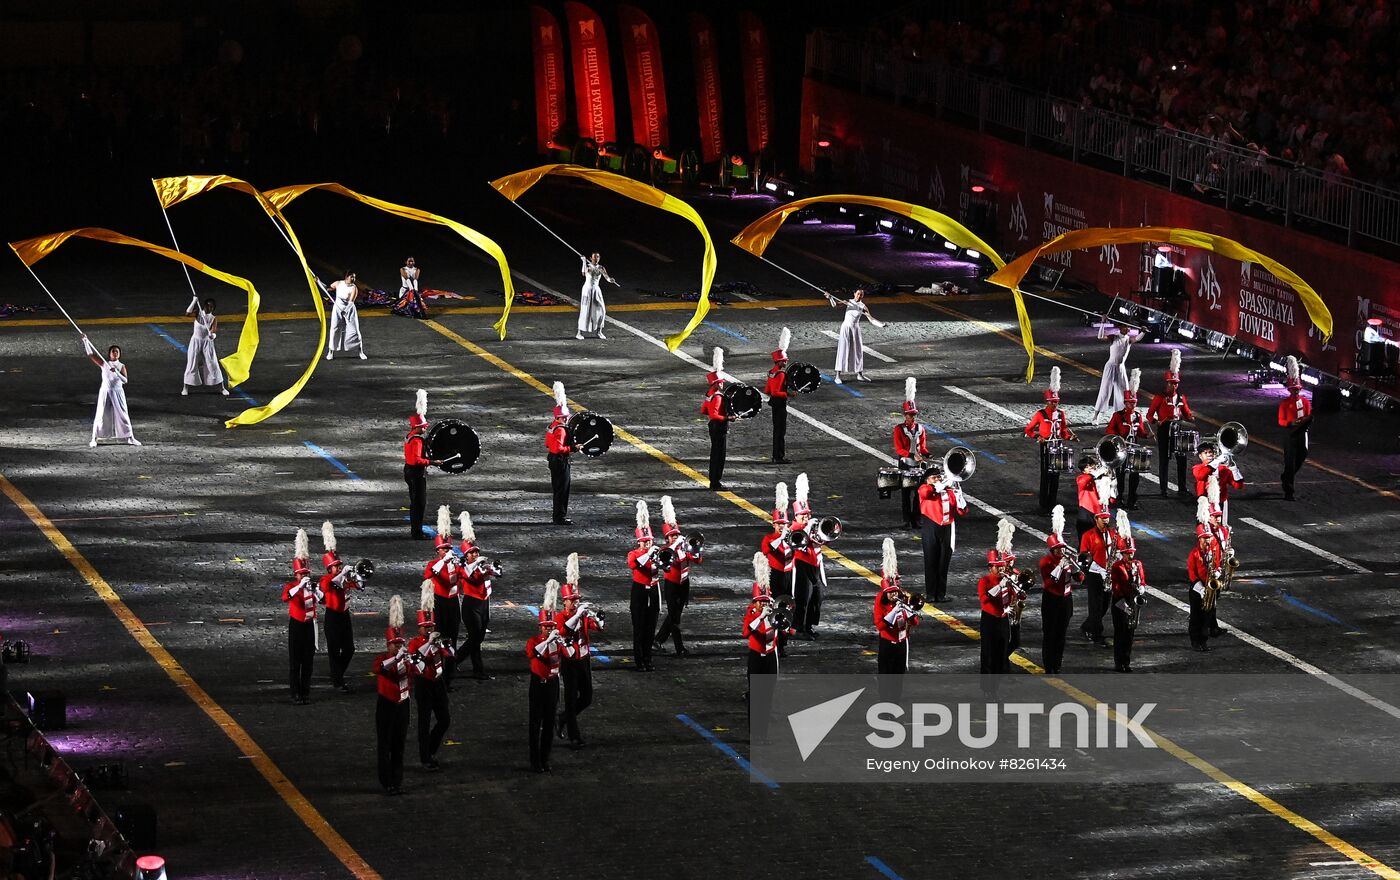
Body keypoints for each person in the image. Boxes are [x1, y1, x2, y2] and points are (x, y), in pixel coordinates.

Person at [373, 596, 422, 794]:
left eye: (400, 644)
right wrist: (397, 659)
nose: (398, 647)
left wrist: (411, 659)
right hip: (386, 704)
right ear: (388, 645)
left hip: (403, 704)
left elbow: (420, 669)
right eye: (395, 644)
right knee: (384, 744)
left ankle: (397, 780)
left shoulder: (405, 659)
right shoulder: (382, 659)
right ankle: (386, 782)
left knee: (399, 743)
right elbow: (381, 669)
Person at [556, 555, 603, 749]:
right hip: (569, 661)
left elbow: (596, 626)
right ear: (564, 602)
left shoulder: (580, 615)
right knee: (570, 697)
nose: (575, 603)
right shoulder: (560, 617)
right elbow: (564, 630)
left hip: (583, 659)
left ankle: (564, 718)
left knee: (586, 697)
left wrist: (598, 620)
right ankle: (574, 736)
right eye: (572, 600)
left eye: (576, 600)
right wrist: (577, 614)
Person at [408, 584, 452, 771]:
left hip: (438, 682)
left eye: (431, 626)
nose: (428, 630)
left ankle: (431, 749)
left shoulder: (437, 638)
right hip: (423, 684)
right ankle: (425, 757)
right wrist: (430, 644)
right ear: (419, 629)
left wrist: (442, 644)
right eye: (425, 628)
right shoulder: (414, 643)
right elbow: (416, 660)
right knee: (424, 722)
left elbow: (451, 653)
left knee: (445, 719)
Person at [1024, 367, 1077, 513]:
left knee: (1056, 476)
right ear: (1048, 402)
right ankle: (1043, 504)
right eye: (1053, 402)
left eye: (1057, 402)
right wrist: (1037, 436)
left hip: (1058, 446)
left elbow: (1064, 431)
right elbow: (1028, 430)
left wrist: (1070, 437)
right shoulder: (1040, 414)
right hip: (1046, 446)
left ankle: (1052, 504)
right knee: (1046, 475)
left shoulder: (1061, 414)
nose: (1055, 405)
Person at [654, 496, 701, 656]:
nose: (675, 537)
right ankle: (679, 647)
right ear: (666, 537)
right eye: (672, 536)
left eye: (676, 535)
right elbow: (667, 566)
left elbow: (698, 560)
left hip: (684, 584)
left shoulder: (684, 546)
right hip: (672, 586)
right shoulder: (664, 551)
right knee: (675, 618)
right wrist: (676, 548)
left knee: (675, 614)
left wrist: (692, 549)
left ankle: (658, 639)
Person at [874, 537, 920, 701]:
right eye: (891, 592)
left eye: (895, 591)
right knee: (886, 677)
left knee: (898, 677)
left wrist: (910, 612)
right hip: (887, 644)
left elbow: (915, 623)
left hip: (902, 643)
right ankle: (885, 704)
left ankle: (895, 703)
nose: (894, 595)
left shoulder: (904, 597)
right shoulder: (880, 600)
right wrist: (894, 612)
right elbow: (880, 625)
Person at [458, 511, 501, 681]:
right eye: (472, 553)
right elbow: (469, 576)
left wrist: (492, 569)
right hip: (471, 605)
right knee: (475, 637)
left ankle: (473, 667)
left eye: (476, 552)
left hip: (484, 604)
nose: (475, 554)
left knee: (478, 638)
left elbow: (498, 574)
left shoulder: (481, 566)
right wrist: (477, 564)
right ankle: (461, 662)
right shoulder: (464, 567)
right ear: (466, 555)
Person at [1039, 506, 1082, 674]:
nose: (1062, 551)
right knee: (1050, 633)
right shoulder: (1046, 562)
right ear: (1052, 549)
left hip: (1066, 599)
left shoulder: (1067, 559)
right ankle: (1048, 664)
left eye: (1062, 548)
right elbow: (1050, 581)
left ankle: (1057, 664)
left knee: (1061, 635)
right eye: (1058, 549)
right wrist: (1061, 567)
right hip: (1051, 599)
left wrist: (1077, 570)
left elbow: (1080, 579)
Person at [319, 521, 361, 693]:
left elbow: (359, 585)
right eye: (336, 566)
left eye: (340, 565)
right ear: (330, 568)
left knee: (349, 649)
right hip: (332, 617)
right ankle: (338, 680)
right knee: (334, 650)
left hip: (344, 616)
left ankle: (337, 674)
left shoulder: (342, 578)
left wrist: (355, 576)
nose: (339, 567)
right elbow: (328, 585)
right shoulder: (326, 579)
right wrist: (343, 574)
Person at [526, 582, 563, 772]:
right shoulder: (533, 641)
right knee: (535, 724)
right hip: (538, 685)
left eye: (551, 627)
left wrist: (563, 642)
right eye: (546, 627)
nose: (549, 630)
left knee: (549, 724)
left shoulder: (557, 641)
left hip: (552, 684)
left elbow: (571, 654)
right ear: (541, 627)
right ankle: (534, 761)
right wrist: (549, 640)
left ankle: (545, 759)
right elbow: (535, 654)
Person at [1147, 349, 1195, 498]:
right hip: (1164, 429)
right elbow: (1149, 415)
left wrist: (1190, 417)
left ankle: (1182, 488)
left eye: (1175, 384)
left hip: (1177, 428)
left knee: (1182, 459)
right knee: (1164, 460)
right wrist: (1157, 421)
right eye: (1171, 384)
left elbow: (1187, 413)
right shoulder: (1159, 397)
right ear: (1166, 383)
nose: (1173, 387)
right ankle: (1163, 489)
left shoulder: (1181, 398)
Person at [423, 507, 462, 686]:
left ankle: (450, 674)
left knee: (452, 638)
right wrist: (444, 561)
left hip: (453, 603)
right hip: (439, 603)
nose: (446, 551)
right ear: (437, 551)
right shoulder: (433, 564)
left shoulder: (455, 564)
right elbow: (431, 574)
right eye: (443, 549)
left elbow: (467, 576)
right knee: (438, 638)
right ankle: (437, 672)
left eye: (448, 548)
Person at [282, 532, 321, 704]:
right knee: (295, 662)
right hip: (296, 626)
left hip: (309, 627)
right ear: (296, 574)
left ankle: (305, 692)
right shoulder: (292, 586)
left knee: (308, 662)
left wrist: (316, 590)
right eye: (301, 574)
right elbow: (286, 597)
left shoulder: (311, 587)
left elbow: (324, 600)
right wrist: (299, 586)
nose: (305, 576)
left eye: (306, 573)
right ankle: (294, 693)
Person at [917, 466, 967, 603]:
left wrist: (958, 493)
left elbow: (962, 511)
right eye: (934, 478)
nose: (937, 479)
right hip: (930, 527)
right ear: (927, 480)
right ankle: (930, 594)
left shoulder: (949, 492)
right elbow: (926, 493)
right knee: (931, 561)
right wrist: (944, 483)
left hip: (947, 528)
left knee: (943, 562)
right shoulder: (924, 488)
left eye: (939, 477)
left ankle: (941, 594)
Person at [743, 553, 779, 744]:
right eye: (761, 601)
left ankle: (763, 733)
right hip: (756, 658)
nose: (764, 604)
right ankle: (753, 733)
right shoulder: (751, 613)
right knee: (756, 696)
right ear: (755, 602)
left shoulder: (774, 612)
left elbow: (784, 628)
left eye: (766, 601)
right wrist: (761, 617)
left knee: (767, 697)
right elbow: (746, 632)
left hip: (771, 657)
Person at [1105, 368, 1152, 510]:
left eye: (1135, 403)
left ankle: (1132, 500)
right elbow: (1109, 430)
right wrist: (1119, 438)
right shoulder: (1118, 416)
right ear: (1125, 403)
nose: (1133, 405)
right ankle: (1118, 499)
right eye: (1131, 403)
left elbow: (1140, 432)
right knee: (1120, 476)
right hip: (1121, 449)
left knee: (1134, 476)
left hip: (1134, 449)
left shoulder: (1138, 416)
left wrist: (1146, 435)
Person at [83, 338, 140, 447]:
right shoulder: (104, 364)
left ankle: (130, 437)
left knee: (123, 414)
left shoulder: (121, 366)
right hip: (105, 391)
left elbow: (125, 380)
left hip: (118, 392)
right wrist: (85, 341)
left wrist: (117, 373)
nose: (115, 353)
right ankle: (94, 438)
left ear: (119, 354)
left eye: (117, 351)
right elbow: (90, 355)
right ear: (109, 354)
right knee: (100, 414)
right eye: (113, 351)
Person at [760, 483, 796, 656]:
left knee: (788, 607)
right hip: (775, 576)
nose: (782, 527)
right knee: (776, 609)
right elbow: (768, 550)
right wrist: (781, 538)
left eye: (785, 524)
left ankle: (784, 642)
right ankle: (775, 642)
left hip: (789, 576)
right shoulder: (768, 538)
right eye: (779, 524)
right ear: (774, 524)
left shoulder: (790, 537)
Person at [626, 501, 662, 671]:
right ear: (639, 542)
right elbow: (635, 566)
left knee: (650, 628)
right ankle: (639, 660)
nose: (648, 544)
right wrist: (648, 554)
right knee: (639, 627)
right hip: (639, 592)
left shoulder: (657, 553)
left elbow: (667, 566)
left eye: (649, 541)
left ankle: (648, 658)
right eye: (645, 541)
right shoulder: (633, 554)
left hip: (654, 591)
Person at [1109, 518, 1147, 672]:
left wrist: (1142, 588)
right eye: (1127, 554)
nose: (1130, 557)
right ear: (1122, 554)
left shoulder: (1138, 565)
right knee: (1120, 634)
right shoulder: (1117, 566)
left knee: (1130, 635)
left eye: (1132, 553)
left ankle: (1127, 661)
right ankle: (1119, 662)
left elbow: (1143, 580)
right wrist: (1126, 605)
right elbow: (1116, 587)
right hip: (1120, 603)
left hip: (1132, 601)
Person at [791, 474, 826, 639]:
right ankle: (799, 628)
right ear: (796, 516)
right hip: (802, 565)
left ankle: (810, 625)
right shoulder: (794, 528)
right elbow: (799, 541)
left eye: (807, 514)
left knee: (817, 597)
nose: (806, 517)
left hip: (816, 564)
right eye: (802, 515)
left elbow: (822, 540)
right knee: (803, 598)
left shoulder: (812, 525)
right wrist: (807, 528)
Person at [403, 389, 441, 540]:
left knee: (414, 502)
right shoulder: (418, 440)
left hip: (408, 471)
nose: (425, 428)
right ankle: (417, 532)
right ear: (417, 427)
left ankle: (415, 530)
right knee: (419, 504)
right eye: (423, 426)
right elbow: (417, 460)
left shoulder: (409, 436)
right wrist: (432, 462)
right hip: (416, 473)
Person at [893, 378, 931, 529]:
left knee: (918, 493)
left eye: (914, 415)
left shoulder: (921, 429)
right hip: (905, 463)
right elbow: (899, 449)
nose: (912, 417)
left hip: (917, 464)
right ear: (905, 415)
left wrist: (927, 454)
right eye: (910, 415)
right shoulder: (898, 429)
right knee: (905, 493)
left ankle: (916, 518)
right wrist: (911, 456)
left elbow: (922, 446)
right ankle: (906, 520)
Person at [977, 528, 1014, 675]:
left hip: (1004, 620)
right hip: (989, 621)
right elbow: (985, 600)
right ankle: (987, 689)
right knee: (988, 655)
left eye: (1001, 566)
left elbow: (1016, 597)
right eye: (996, 566)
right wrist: (1000, 586)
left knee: (1000, 654)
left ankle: (996, 687)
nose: (1000, 569)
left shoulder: (1007, 579)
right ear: (990, 567)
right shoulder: (984, 581)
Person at [1078, 509, 1116, 647]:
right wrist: (1100, 570)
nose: (1106, 520)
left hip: (1109, 573)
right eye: (1102, 518)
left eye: (1107, 517)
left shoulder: (1113, 534)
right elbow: (1083, 557)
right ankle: (1096, 634)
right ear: (1096, 519)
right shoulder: (1088, 535)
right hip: (1095, 574)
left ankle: (1088, 626)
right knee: (1096, 605)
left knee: (1105, 604)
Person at [1279, 355, 1312, 501]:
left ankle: (1287, 476)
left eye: (1297, 389)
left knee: (1302, 456)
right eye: (1293, 389)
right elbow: (1281, 420)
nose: (1296, 392)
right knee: (1290, 462)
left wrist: (1304, 422)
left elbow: (1309, 415)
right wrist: (1291, 424)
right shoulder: (1285, 404)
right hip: (1290, 434)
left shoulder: (1305, 402)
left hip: (1302, 433)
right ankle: (1289, 491)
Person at [828, 288, 880, 383]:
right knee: (843, 350)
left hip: (855, 330)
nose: (859, 296)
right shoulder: (849, 302)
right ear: (854, 293)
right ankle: (837, 376)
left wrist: (881, 325)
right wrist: (830, 297)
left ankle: (860, 375)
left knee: (858, 351)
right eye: (858, 294)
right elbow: (835, 305)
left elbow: (871, 319)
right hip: (846, 328)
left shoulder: (863, 306)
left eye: (861, 295)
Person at [181, 296, 228, 396]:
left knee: (213, 363)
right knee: (191, 363)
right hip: (195, 341)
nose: (210, 308)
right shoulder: (198, 313)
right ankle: (185, 388)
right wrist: (194, 301)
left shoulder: (213, 318)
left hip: (207, 343)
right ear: (204, 306)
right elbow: (187, 314)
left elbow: (214, 330)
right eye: (208, 306)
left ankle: (222, 388)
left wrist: (213, 335)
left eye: (212, 307)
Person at [1091, 326, 1139, 424]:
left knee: (1124, 392)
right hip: (1110, 366)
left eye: (1128, 328)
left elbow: (1137, 338)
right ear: (1121, 328)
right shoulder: (1114, 337)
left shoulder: (1128, 340)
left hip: (1121, 368)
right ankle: (1096, 415)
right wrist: (1103, 323)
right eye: (1125, 327)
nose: (1127, 330)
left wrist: (1143, 332)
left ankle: (1121, 414)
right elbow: (1100, 337)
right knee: (1104, 391)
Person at [1187, 506, 1218, 653]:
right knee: (1196, 616)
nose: (1208, 541)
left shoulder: (1212, 551)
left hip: (1209, 587)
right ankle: (1195, 641)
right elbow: (1192, 575)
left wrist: (1217, 572)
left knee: (1207, 616)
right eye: (1205, 539)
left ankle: (1204, 640)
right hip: (1197, 589)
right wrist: (1202, 589)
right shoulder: (1194, 553)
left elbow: (1217, 564)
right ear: (1200, 539)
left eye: (1209, 538)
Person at [1192, 443, 1243, 523]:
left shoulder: (1223, 469)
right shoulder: (1198, 468)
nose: (1209, 454)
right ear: (1200, 456)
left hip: (1220, 503)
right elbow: (1201, 476)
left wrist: (1234, 469)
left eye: (1210, 452)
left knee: (1221, 529)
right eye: (1205, 453)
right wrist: (1217, 461)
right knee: (1204, 529)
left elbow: (1239, 485)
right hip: (1204, 503)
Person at [546, 381, 574, 525]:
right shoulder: (561, 429)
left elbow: (548, 444)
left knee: (558, 488)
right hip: (560, 460)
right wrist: (573, 448)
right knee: (562, 489)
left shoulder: (553, 426)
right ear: (562, 417)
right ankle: (560, 516)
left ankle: (558, 515)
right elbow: (558, 448)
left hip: (552, 459)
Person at [702, 348, 730, 490]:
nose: (722, 384)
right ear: (716, 383)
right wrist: (727, 417)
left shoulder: (709, 394)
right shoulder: (718, 396)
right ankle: (715, 482)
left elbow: (704, 410)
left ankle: (713, 481)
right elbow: (713, 414)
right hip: (718, 427)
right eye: (720, 382)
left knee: (715, 454)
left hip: (712, 427)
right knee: (719, 456)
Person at [322, 271, 366, 360]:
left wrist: (345, 310)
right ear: (346, 277)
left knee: (355, 330)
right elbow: (327, 288)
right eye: (351, 277)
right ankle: (330, 351)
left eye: (354, 277)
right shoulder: (338, 283)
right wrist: (318, 281)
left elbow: (351, 302)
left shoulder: (354, 288)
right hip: (337, 308)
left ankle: (360, 351)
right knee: (334, 328)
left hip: (349, 309)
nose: (353, 279)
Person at [765, 327, 792, 464]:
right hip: (779, 404)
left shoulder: (771, 372)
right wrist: (788, 393)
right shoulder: (781, 374)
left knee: (777, 430)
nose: (786, 362)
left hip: (773, 403)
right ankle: (778, 456)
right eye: (784, 360)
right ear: (779, 361)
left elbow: (767, 390)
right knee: (780, 431)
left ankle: (776, 455)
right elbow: (776, 392)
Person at [576, 252, 616, 340]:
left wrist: (610, 280)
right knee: (585, 311)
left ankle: (599, 331)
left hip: (596, 290)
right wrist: (583, 261)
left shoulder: (601, 268)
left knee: (602, 310)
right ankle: (579, 332)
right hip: (587, 290)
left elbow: (607, 277)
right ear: (591, 258)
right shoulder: (588, 266)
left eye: (597, 257)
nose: (596, 259)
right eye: (594, 257)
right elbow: (583, 273)